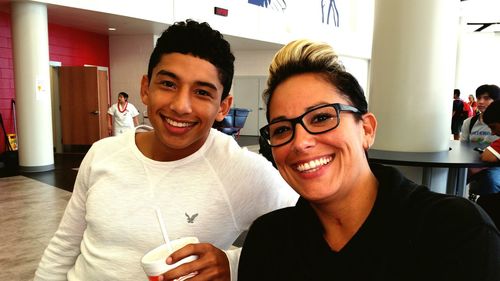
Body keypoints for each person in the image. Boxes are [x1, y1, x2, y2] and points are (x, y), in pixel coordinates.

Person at [34, 20, 297, 281]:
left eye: (202, 92)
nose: (181, 106)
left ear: (223, 107)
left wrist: (233, 264)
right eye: (169, 84)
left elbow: (312, 234)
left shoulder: (242, 171)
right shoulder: (102, 154)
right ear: (145, 88)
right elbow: (64, 247)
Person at [238, 39, 500, 281]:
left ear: (366, 130)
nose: (300, 142)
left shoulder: (454, 232)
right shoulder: (269, 240)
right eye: (282, 129)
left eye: (321, 118)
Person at [460, 84, 500, 196]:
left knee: (492, 181)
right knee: (455, 176)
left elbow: (491, 157)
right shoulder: (469, 122)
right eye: (479, 98)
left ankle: (488, 209)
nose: (481, 102)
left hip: (494, 166)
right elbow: (463, 147)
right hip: (472, 163)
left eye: (486, 98)